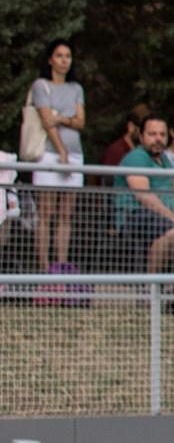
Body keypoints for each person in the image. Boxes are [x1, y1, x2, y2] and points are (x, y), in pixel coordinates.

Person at [27, 39, 85, 285]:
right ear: (50, 59)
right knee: (46, 213)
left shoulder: (76, 88)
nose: (64, 60)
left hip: (75, 153)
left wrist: (61, 118)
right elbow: (46, 121)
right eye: (59, 55)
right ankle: (44, 268)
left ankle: (60, 266)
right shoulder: (41, 85)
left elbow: (80, 122)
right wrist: (60, 148)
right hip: (51, 153)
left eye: (68, 56)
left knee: (65, 215)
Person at [113, 116, 174, 273]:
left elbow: (171, 183)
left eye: (162, 135)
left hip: (164, 215)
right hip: (134, 216)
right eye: (152, 134)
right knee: (173, 231)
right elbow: (145, 196)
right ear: (141, 137)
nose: (158, 139)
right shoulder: (137, 157)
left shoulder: (163, 159)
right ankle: (150, 288)